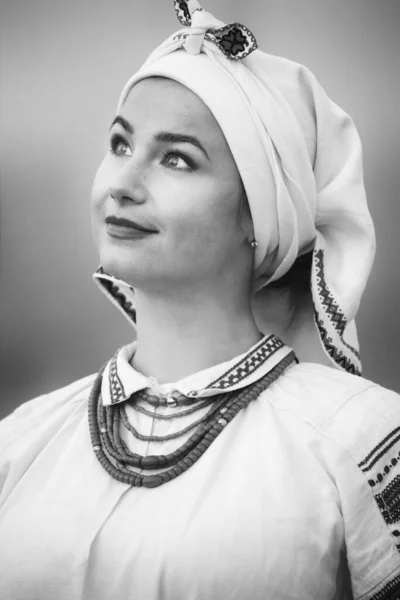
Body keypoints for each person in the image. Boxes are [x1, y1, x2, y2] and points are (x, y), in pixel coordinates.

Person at [0, 1, 399, 598]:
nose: (123, 185)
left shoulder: (358, 437)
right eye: (118, 144)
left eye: (176, 159)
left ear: (258, 214)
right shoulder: (21, 440)